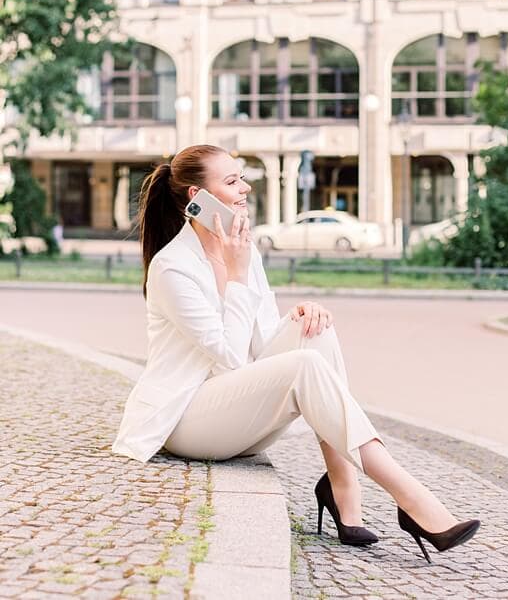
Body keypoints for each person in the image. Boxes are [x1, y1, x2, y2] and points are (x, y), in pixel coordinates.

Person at [112, 144, 479, 560]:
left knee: (315, 333)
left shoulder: (243, 252)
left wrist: (298, 318)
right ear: (198, 198)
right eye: (232, 181)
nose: (245, 188)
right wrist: (233, 276)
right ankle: (413, 499)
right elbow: (231, 356)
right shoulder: (172, 266)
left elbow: (262, 341)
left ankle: (344, 491)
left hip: (237, 415)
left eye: (242, 177)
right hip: (187, 421)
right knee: (304, 363)